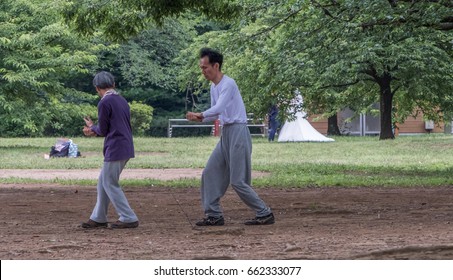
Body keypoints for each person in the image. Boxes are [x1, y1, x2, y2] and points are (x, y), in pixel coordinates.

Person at [186, 48, 274, 226]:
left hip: (238, 132)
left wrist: (200, 114)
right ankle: (214, 215)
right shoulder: (213, 87)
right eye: (201, 68)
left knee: (238, 181)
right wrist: (200, 119)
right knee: (210, 172)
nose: (203, 71)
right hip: (226, 132)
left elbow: (217, 109)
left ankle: (264, 213)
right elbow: (215, 114)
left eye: (205, 67)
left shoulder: (229, 84)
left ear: (216, 65)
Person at [81, 71, 139, 229]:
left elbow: (104, 129)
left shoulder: (104, 102)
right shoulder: (121, 100)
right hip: (125, 145)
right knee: (103, 182)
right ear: (113, 85)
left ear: (97, 88)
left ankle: (128, 216)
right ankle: (99, 216)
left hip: (115, 146)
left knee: (109, 182)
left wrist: (92, 128)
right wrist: (95, 128)